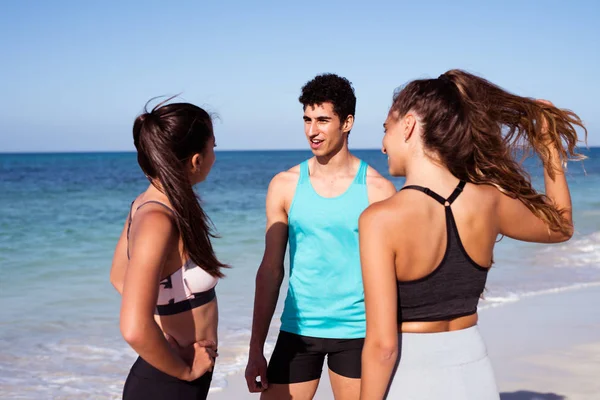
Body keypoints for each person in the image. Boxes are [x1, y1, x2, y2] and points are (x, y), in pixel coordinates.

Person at [358, 70, 587, 399]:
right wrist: (549, 148)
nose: (382, 146)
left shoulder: (379, 219)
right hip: (475, 372)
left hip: (412, 377)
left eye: (386, 129)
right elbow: (561, 225)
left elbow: (383, 347)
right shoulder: (489, 201)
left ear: (408, 126)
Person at [244, 73, 397, 400]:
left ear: (347, 122)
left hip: (357, 332)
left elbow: (394, 277)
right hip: (298, 330)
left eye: (323, 120)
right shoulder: (284, 185)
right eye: (307, 120)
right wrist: (255, 348)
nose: (312, 130)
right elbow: (271, 270)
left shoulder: (378, 190)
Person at [109, 100, 227, 400]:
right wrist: (184, 372)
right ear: (196, 160)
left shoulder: (148, 204)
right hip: (169, 382)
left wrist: (163, 317)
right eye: (214, 146)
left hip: (176, 379)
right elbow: (133, 328)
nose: (216, 155)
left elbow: (118, 277)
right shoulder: (157, 219)